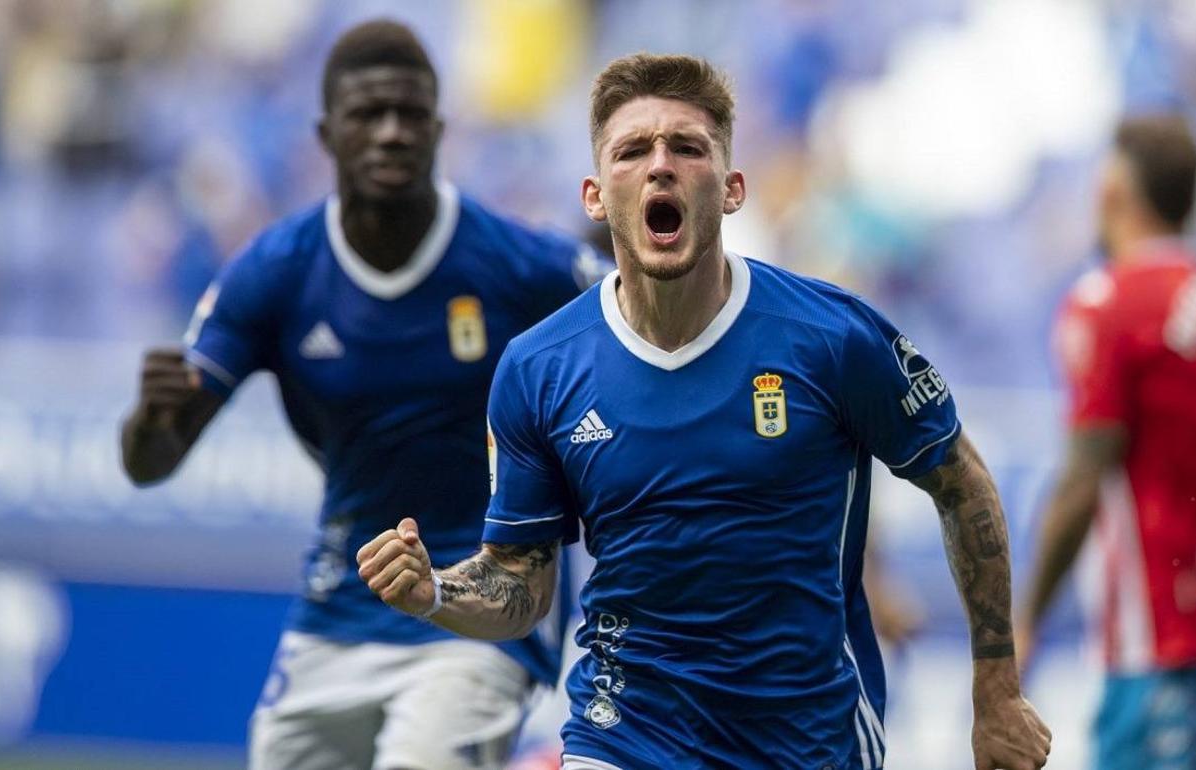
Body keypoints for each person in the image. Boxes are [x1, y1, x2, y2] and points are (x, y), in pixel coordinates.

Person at [357, 53, 1051, 770]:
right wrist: (435, 590)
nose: (661, 166)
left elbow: (961, 481)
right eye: (633, 151)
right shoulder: (538, 368)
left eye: (687, 148)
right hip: (622, 734)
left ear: (731, 188)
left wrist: (997, 691)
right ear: (595, 196)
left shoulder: (833, 336)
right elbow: (518, 582)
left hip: (807, 742)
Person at [120, 20, 605, 770]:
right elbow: (151, 462)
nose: (390, 132)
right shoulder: (276, 271)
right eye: (368, 113)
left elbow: (639, 324)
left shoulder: (518, 264)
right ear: (326, 133)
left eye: (410, 114)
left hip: (482, 605)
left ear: (439, 129)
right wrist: (151, 419)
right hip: (342, 604)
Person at [1018, 115, 1196, 770]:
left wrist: (1026, 619)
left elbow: (1083, 478)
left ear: (1114, 193)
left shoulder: (1108, 305)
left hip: (1155, 639)